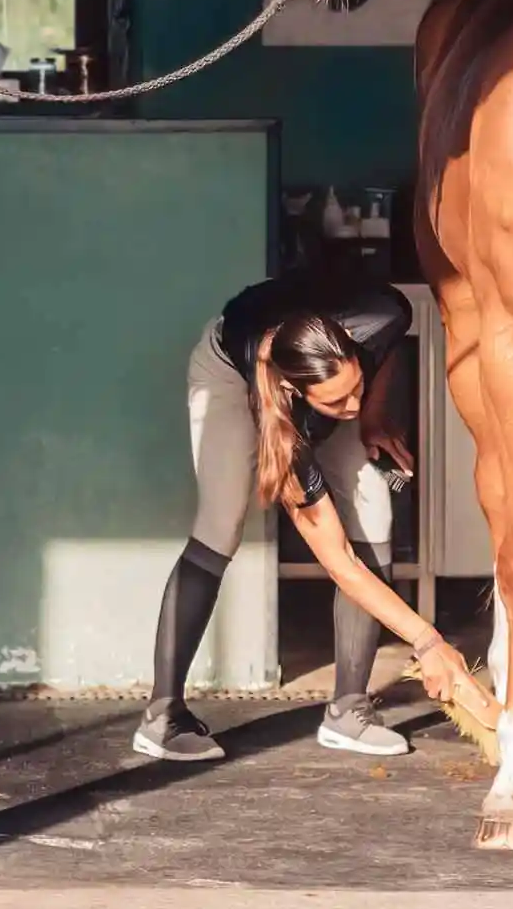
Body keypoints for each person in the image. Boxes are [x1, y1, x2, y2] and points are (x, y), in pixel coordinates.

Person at [134, 265, 469, 763]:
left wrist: (373, 413)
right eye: (338, 401)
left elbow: (388, 348)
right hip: (229, 372)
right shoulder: (283, 424)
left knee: (374, 514)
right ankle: (162, 715)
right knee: (221, 523)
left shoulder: (381, 317)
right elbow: (338, 561)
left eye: (357, 387)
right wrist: (428, 641)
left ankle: (349, 711)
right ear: (297, 393)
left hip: (320, 363)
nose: (351, 405)